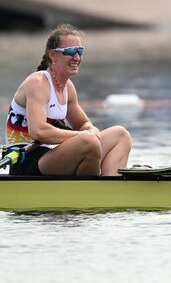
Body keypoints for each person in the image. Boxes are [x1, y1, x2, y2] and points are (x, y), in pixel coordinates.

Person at [4, 24, 132, 176]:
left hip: (53, 155)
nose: (77, 57)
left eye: (80, 51)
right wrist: (83, 136)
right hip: (28, 161)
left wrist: (91, 130)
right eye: (71, 51)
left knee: (120, 135)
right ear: (52, 55)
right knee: (88, 142)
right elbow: (39, 131)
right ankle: (91, 192)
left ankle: (112, 188)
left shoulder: (68, 87)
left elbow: (83, 124)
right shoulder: (37, 83)